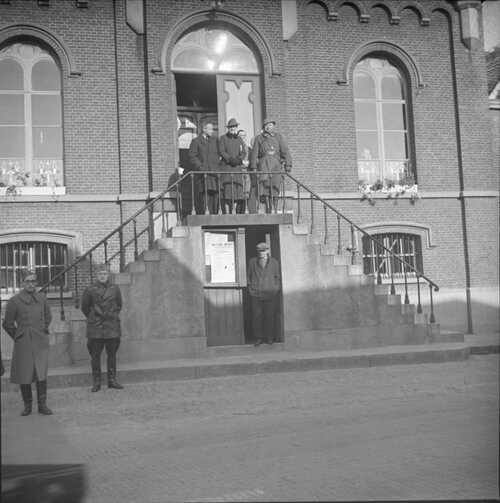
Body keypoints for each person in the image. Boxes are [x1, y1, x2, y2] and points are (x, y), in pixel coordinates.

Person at [2, 269, 53, 416]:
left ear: (36, 282)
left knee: (41, 372)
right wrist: (19, 336)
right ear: (22, 283)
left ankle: (42, 405)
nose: (31, 284)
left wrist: (43, 329)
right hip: (23, 342)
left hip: (40, 341)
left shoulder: (42, 298)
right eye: (28, 281)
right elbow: (7, 324)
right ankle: (28, 406)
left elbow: (48, 316)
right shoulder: (14, 301)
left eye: (33, 281)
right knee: (25, 373)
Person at [81, 265, 123, 392]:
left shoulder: (115, 289)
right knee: (95, 356)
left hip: (111, 326)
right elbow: (85, 308)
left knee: (112, 355)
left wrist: (112, 315)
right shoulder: (90, 290)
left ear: (108, 274)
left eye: (104, 273)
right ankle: (97, 382)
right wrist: (94, 317)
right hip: (96, 326)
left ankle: (112, 380)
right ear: (96, 275)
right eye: (100, 274)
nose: (102, 276)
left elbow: (119, 305)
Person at [250, 118, 292, 213]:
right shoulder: (259, 138)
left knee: (275, 186)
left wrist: (288, 165)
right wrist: (253, 167)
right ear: (264, 127)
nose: (268, 127)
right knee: (265, 187)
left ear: (273, 126)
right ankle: (268, 208)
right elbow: (254, 153)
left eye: (270, 125)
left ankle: (275, 208)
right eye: (266, 125)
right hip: (264, 165)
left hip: (276, 165)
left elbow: (285, 151)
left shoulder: (279, 137)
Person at [247, 242, 281, 346]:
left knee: (269, 316)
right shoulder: (252, 262)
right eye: (260, 251)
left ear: (268, 251)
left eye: (263, 251)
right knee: (257, 317)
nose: (261, 253)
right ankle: (259, 338)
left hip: (270, 294)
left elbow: (277, 277)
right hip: (256, 294)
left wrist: (275, 289)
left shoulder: (274, 262)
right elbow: (249, 276)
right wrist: (251, 289)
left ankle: (269, 338)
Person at [188, 122, 220, 215]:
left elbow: (219, 153)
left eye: (213, 129)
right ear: (204, 129)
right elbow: (192, 156)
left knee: (214, 194)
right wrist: (200, 167)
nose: (212, 131)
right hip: (203, 173)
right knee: (204, 194)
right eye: (210, 129)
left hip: (214, 173)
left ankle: (214, 215)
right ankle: (206, 214)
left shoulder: (215, 141)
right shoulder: (196, 141)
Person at [218, 118, 247, 214]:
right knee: (227, 190)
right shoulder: (223, 138)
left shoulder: (239, 139)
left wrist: (239, 159)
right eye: (231, 127)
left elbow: (243, 152)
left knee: (236, 190)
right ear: (228, 128)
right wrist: (229, 159)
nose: (232, 128)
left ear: (236, 127)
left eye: (234, 127)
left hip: (236, 168)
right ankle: (226, 212)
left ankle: (234, 211)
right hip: (226, 167)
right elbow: (221, 151)